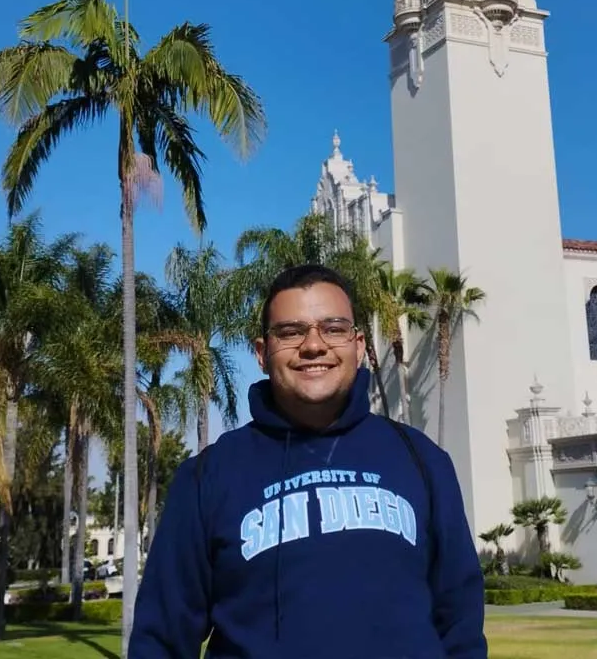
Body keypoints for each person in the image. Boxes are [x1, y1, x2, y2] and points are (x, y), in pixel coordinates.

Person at [130, 264, 487, 658]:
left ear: (358, 345)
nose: (313, 345)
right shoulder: (207, 476)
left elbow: (461, 626)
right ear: (262, 353)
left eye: (333, 328)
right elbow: (160, 638)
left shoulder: (423, 460)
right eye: (291, 331)